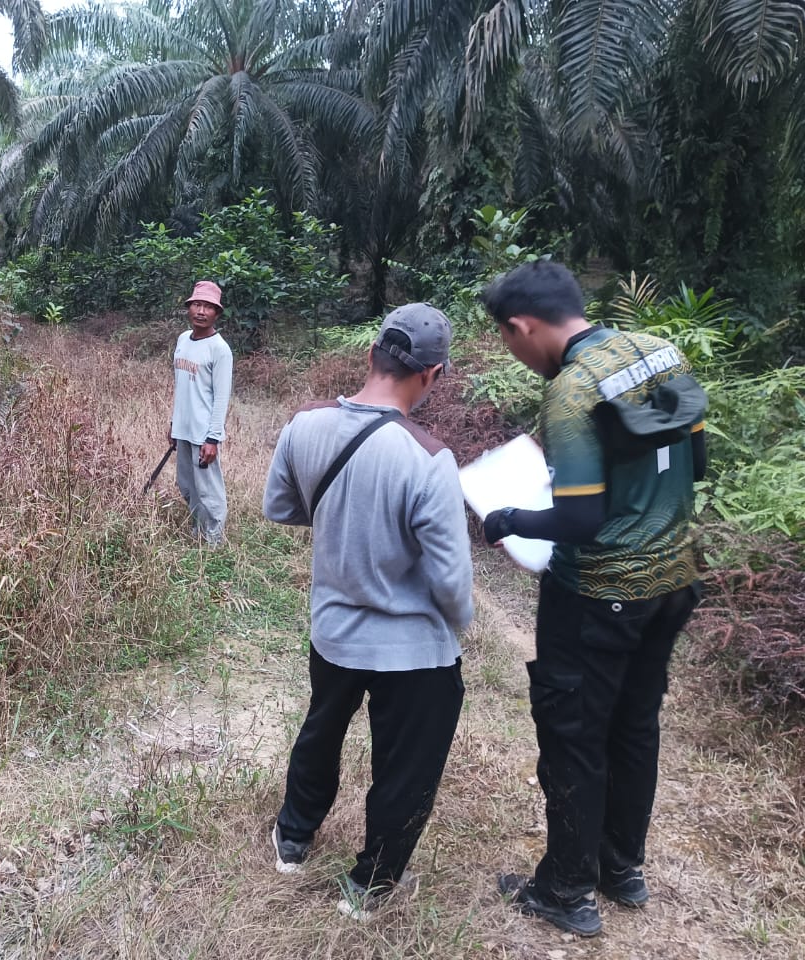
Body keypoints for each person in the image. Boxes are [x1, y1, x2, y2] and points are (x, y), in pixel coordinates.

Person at [480, 261, 707, 938]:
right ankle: (621, 869)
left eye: (509, 343)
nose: (517, 358)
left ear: (521, 328)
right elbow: (695, 464)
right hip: (673, 582)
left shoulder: (573, 390)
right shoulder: (660, 352)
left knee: (574, 736)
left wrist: (508, 520)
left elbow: (579, 521)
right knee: (634, 727)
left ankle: (566, 889)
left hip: (599, 593)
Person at [263, 303, 473, 921]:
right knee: (403, 768)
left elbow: (280, 508)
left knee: (322, 730)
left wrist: (339, 521)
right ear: (432, 374)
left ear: (371, 356)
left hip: (332, 633)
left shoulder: (304, 425)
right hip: (414, 654)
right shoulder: (430, 459)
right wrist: (459, 623)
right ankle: (370, 885)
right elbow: (452, 583)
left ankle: (293, 838)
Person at [167, 280, 233, 544]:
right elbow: (181, 388)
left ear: (217, 313)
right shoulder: (184, 340)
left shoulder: (220, 350)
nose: (201, 311)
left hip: (204, 433)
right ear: (188, 308)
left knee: (208, 491)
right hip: (183, 429)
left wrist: (213, 438)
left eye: (208, 306)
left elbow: (221, 397)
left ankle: (214, 541)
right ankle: (198, 531)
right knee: (187, 486)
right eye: (197, 304)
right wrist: (174, 423)